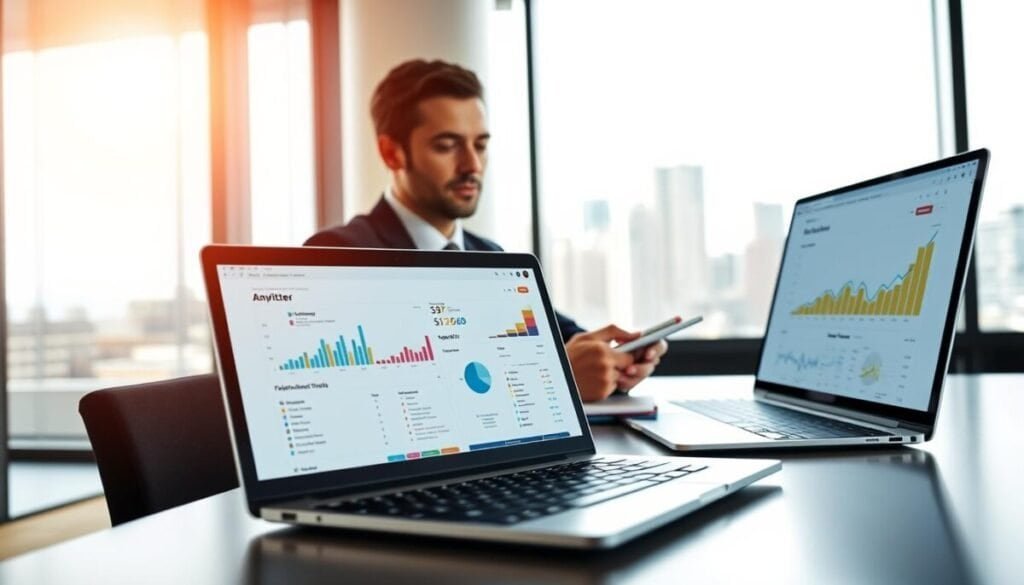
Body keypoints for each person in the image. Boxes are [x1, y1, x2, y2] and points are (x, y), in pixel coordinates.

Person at [305, 59, 666, 401]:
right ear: (391, 153)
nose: (472, 165)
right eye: (447, 146)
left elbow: (570, 343)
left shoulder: (492, 258)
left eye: (480, 145)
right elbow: (363, 395)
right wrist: (558, 377)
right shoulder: (337, 254)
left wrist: (619, 361)